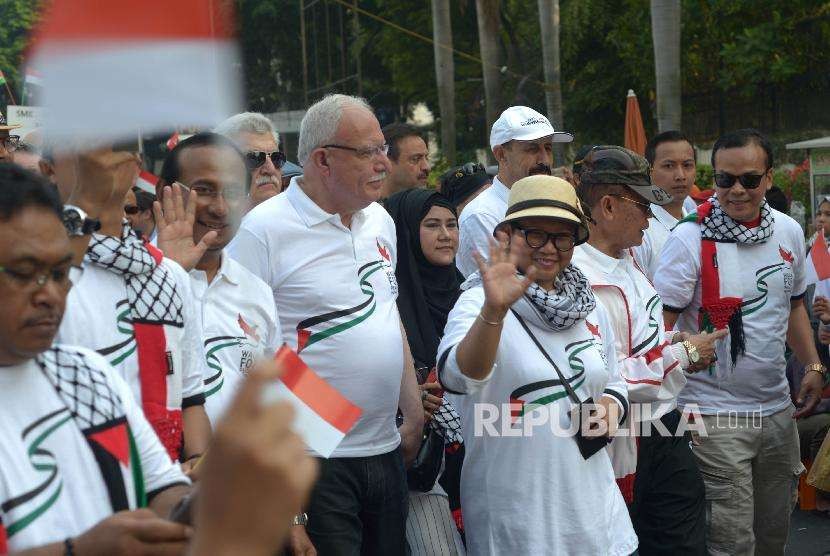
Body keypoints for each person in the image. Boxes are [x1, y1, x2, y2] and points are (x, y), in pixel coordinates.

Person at [228, 93, 423, 555]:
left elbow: (386, 312)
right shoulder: (262, 230)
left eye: (383, 149)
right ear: (322, 160)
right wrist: (330, 425)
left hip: (387, 450)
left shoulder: (380, 220)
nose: (383, 162)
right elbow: (246, 350)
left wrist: (411, 408)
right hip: (312, 463)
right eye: (368, 152)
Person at [437, 174, 637, 555]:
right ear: (508, 236)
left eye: (562, 236)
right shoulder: (477, 303)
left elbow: (613, 379)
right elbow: (458, 377)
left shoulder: (587, 306)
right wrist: (494, 312)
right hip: (518, 526)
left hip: (598, 520)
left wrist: (612, 406)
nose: (549, 248)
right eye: (535, 234)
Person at [0, 163, 195, 554]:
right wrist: (82, 551)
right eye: (24, 272)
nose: (50, 294)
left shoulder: (88, 374)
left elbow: (163, 488)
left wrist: (222, 490)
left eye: (59, 273)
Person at [654, 129, 826, 555]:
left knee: (772, 536)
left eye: (748, 179)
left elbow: (792, 308)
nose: (736, 190)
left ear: (768, 179)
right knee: (731, 543)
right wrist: (688, 349)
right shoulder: (687, 238)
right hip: (713, 415)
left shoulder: (787, 231)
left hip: (776, 411)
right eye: (724, 179)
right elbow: (657, 327)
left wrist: (813, 366)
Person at [572, 145, 725, 555]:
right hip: (624, 439)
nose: (650, 216)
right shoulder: (576, 281)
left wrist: (676, 343)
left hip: (667, 424)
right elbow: (606, 377)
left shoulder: (629, 256)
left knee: (685, 541)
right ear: (606, 206)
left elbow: (642, 340)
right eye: (642, 205)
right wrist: (684, 355)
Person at [53, 143, 212, 474]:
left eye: (114, 146)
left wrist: (198, 466)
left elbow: (191, 400)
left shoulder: (168, 276)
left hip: (161, 485)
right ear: (48, 169)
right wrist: (86, 202)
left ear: (134, 164)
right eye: (84, 146)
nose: (100, 159)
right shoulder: (39, 275)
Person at [153, 133, 282, 424]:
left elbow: (276, 387)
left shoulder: (257, 292)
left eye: (234, 191)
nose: (221, 208)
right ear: (164, 191)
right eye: (204, 190)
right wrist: (169, 276)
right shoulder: (135, 282)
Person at [385, 189, 465, 556]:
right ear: (406, 235)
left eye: (452, 224)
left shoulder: (471, 293)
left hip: (480, 457)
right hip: (421, 467)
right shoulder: (387, 303)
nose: (446, 234)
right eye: (432, 225)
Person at [456, 106, 573, 278]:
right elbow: (500, 289)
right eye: (532, 149)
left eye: (548, 148)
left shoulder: (558, 204)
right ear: (501, 154)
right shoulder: (481, 215)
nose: (545, 160)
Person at [632, 131, 698, 280]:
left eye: (687, 165)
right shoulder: (641, 233)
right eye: (669, 166)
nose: (680, 175)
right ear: (649, 172)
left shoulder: (696, 223)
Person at [215, 112, 286, 210]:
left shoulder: (298, 221)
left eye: (276, 158)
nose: (270, 169)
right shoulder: (197, 223)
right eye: (254, 158)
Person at [381, 122, 430, 198]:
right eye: (415, 159)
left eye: (426, 158)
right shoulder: (361, 208)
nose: (427, 167)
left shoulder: (431, 207)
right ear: (387, 163)